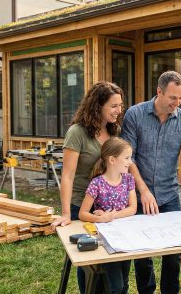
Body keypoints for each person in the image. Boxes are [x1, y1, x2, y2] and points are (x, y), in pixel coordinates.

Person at [120, 70, 181, 294]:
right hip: (138, 193)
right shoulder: (134, 115)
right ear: (159, 92)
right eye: (173, 97)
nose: (177, 102)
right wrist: (143, 190)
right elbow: (128, 157)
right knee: (142, 253)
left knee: (173, 254)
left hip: (169, 195)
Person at [51, 81, 125, 293]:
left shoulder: (114, 130)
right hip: (81, 206)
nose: (118, 111)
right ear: (97, 105)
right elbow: (67, 175)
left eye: (120, 105)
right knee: (90, 266)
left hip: (108, 207)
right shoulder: (77, 132)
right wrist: (66, 213)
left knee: (112, 265)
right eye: (113, 106)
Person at [78, 137, 137, 294]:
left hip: (126, 237)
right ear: (112, 159)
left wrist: (111, 215)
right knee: (116, 286)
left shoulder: (129, 179)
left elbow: (133, 208)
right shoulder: (96, 183)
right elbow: (82, 213)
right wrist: (99, 218)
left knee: (124, 282)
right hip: (107, 239)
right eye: (126, 158)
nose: (130, 162)